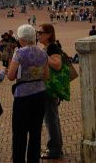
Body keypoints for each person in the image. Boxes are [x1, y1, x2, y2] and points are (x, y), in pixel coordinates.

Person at [7, 24, 49, 163]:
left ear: (22, 38)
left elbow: (11, 76)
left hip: (23, 96)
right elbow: (46, 76)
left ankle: (19, 160)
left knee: (19, 133)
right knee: (35, 132)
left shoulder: (19, 53)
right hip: (40, 94)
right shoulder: (43, 52)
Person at [37, 23, 64, 159]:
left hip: (50, 87)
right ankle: (57, 146)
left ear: (49, 34)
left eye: (41, 32)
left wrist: (42, 56)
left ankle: (54, 149)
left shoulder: (52, 46)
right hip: (48, 86)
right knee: (52, 117)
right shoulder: (47, 47)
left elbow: (57, 65)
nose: (38, 34)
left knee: (50, 118)